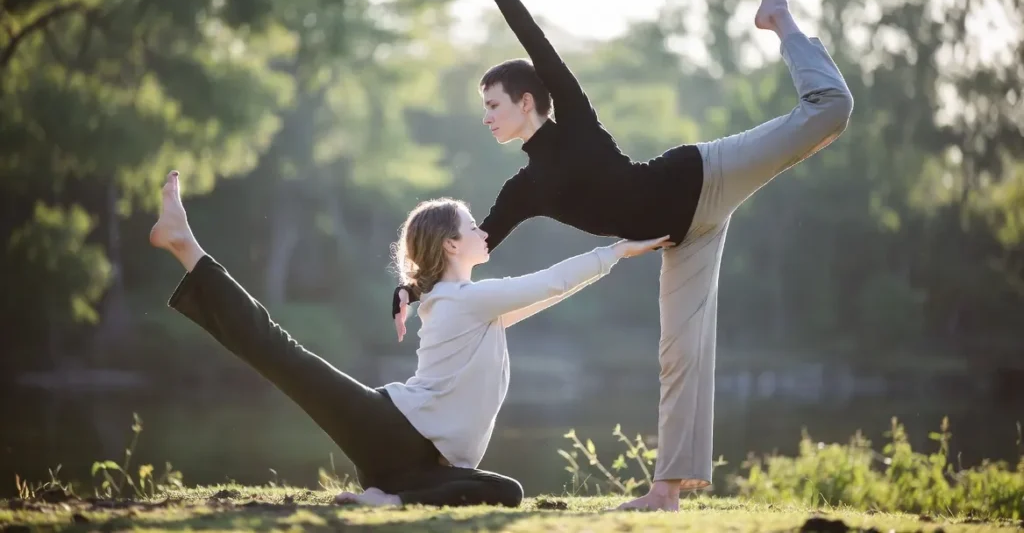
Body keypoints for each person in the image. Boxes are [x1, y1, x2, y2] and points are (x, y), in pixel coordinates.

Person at [393, 0, 855, 511]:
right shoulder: (524, 188)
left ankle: (781, 22)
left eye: (493, 105)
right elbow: (470, 246)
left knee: (830, 110)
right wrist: (411, 287)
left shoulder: (575, 118)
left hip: (701, 177)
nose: (486, 117)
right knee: (678, 351)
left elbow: (533, 38)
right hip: (679, 237)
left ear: (527, 102)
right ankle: (666, 493)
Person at [149, 170, 669, 508]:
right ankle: (184, 242)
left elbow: (542, 296)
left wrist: (610, 262)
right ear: (451, 244)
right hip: (390, 430)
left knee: (506, 492)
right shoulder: (464, 300)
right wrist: (617, 252)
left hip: (418, 462)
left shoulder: (469, 305)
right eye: (474, 227)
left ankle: (389, 496)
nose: (485, 232)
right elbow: (548, 282)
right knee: (278, 349)